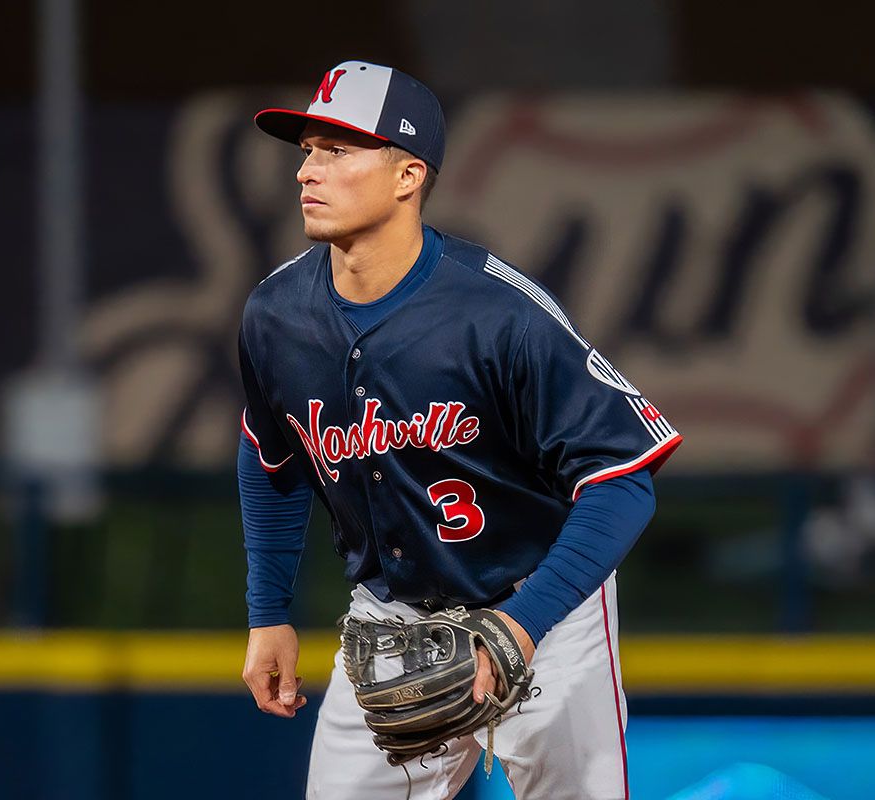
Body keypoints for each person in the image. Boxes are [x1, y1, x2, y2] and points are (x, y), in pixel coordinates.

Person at [237, 60, 681, 799]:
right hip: (391, 622)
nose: (307, 172)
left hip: (544, 609)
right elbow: (271, 460)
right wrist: (267, 613)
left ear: (408, 176)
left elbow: (623, 482)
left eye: (338, 151)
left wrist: (522, 626)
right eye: (307, 149)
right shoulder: (275, 315)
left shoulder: (500, 314)